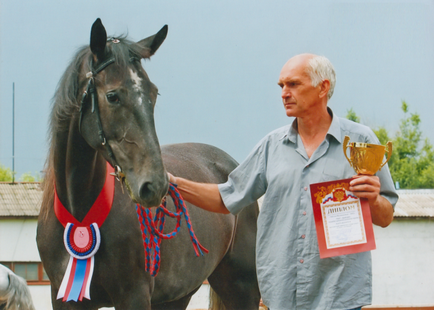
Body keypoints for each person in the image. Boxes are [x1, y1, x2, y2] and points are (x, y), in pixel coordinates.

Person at [168, 53, 398, 310]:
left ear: (323, 87)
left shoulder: (360, 140)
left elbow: (385, 217)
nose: (284, 93)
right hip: (282, 295)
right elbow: (227, 198)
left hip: (339, 296)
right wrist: (173, 184)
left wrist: (374, 199)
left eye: (293, 84)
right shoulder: (271, 146)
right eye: (281, 86)